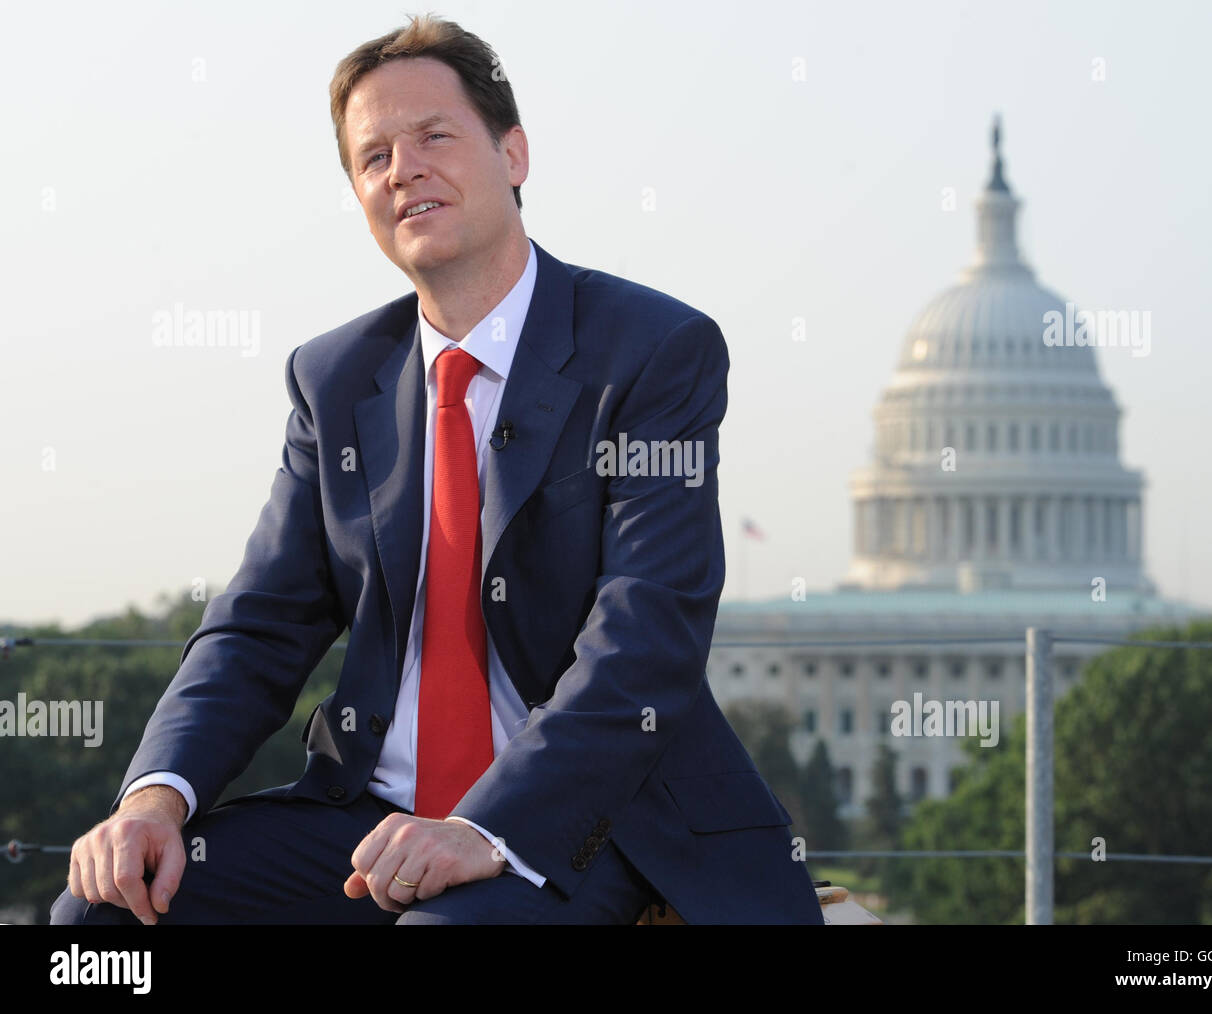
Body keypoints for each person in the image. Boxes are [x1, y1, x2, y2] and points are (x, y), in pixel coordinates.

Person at [49, 13, 823, 925]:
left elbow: (646, 637)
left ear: (515, 155)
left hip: (585, 822)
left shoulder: (652, 352)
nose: (403, 168)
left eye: (433, 137)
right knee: (98, 921)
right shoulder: (336, 379)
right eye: (373, 157)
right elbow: (260, 623)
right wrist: (155, 798)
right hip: (368, 820)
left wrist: (483, 827)